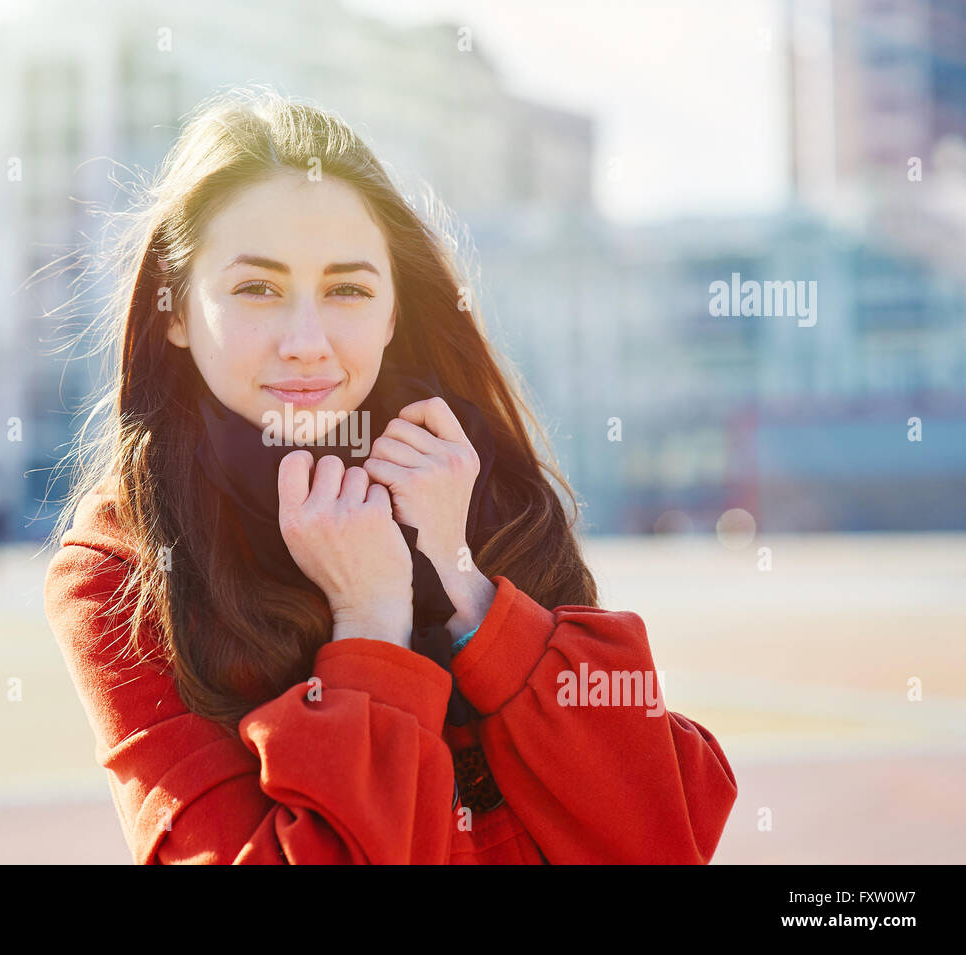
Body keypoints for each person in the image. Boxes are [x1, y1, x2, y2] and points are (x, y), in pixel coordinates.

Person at [43, 85, 737, 864]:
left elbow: (661, 830)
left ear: (394, 310)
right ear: (172, 311)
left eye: (348, 289)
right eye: (256, 288)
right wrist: (370, 618)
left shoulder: (475, 478)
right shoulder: (121, 564)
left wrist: (468, 587)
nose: (306, 341)